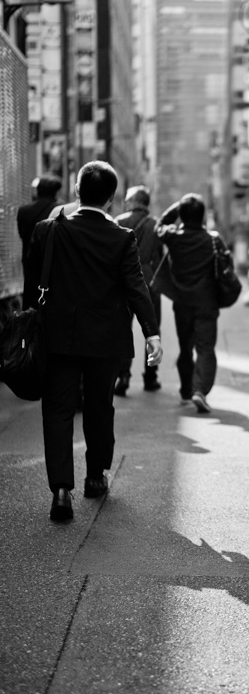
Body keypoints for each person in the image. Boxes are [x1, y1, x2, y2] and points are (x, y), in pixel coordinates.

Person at [23, 161, 163, 522]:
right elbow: (136, 287)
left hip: (57, 338)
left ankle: (59, 491)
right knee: (100, 406)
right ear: (112, 199)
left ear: (76, 191)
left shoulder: (46, 231)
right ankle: (96, 476)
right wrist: (151, 333)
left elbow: (32, 284)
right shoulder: (121, 237)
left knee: (57, 410)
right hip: (105, 339)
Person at [155, 193, 226, 414]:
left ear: (182, 215)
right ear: (203, 215)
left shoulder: (174, 236)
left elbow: (159, 226)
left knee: (185, 347)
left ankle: (187, 389)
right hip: (206, 304)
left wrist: (177, 208)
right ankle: (199, 391)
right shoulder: (213, 239)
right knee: (205, 348)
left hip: (182, 303)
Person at [114, 185, 163, 395]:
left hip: (123, 282)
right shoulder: (155, 225)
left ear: (134, 202)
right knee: (151, 329)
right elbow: (160, 257)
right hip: (150, 282)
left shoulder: (119, 222)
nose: (125, 202)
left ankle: (123, 376)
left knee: (122, 329)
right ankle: (150, 377)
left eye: (127, 199)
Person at [16, 174, 62, 269]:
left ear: (38, 190)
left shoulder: (23, 210)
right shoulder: (60, 210)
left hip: (29, 260)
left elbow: (21, 234)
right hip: (52, 262)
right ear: (55, 192)